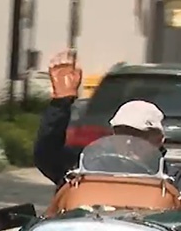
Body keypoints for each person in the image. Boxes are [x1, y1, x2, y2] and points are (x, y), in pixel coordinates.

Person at [33, 49, 166, 188]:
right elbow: (48, 156)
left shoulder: (172, 178)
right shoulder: (91, 168)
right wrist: (61, 103)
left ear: (158, 139)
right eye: (123, 134)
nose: (129, 142)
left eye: (139, 135)